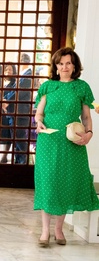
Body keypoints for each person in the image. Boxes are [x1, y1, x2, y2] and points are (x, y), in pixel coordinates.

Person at [33, 47, 99, 246]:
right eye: (60, 63)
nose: (64, 67)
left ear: (74, 66)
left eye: (68, 63)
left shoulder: (81, 87)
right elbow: (39, 113)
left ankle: (58, 229)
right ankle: (45, 231)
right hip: (48, 141)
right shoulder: (48, 86)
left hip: (72, 141)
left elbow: (86, 116)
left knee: (65, 183)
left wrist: (89, 134)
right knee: (48, 183)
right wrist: (39, 122)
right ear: (56, 66)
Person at [13, 53, 33, 164]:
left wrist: (7, 101)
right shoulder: (23, 75)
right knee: (16, 141)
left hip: (21, 112)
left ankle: (23, 163)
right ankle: (18, 163)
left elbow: (19, 93)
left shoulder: (28, 76)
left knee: (20, 140)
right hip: (17, 111)